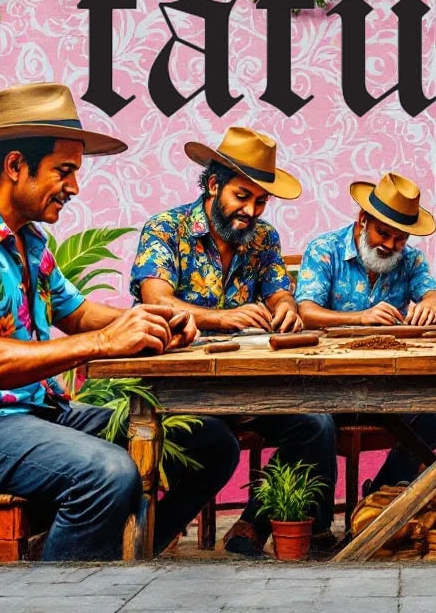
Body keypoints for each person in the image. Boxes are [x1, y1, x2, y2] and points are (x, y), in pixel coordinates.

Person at [0, 82, 240, 562]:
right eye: (65, 171)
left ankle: (122, 562)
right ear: (15, 166)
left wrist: (151, 321)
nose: (74, 186)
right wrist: (104, 341)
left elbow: (77, 314)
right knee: (107, 472)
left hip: (30, 413)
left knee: (210, 442)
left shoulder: (25, 239)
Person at [130, 126, 338, 556]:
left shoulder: (263, 239)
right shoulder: (165, 229)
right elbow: (157, 300)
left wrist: (285, 306)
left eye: (261, 201)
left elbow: (280, 290)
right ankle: (152, 541)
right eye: (242, 197)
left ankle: (251, 525)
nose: (252, 210)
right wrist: (223, 319)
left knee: (316, 424)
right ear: (212, 185)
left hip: (249, 384)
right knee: (216, 444)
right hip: (182, 388)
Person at [295, 172, 436, 494]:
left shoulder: (410, 260)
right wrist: (361, 318)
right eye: (383, 234)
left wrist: (434, 303)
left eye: (400, 239)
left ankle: (379, 500)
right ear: (362, 220)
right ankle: (320, 528)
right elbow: (307, 313)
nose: (389, 246)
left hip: (386, 385)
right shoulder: (324, 249)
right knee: (317, 424)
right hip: (327, 385)